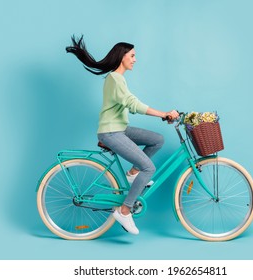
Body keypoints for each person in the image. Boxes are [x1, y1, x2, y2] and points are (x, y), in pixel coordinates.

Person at [66, 36, 179, 235]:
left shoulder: (118, 79)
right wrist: (163, 113)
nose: (135, 59)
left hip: (120, 128)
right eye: (133, 55)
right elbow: (132, 103)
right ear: (122, 56)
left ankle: (132, 175)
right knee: (149, 167)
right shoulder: (114, 79)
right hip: (111, 132)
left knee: (157, 140)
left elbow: (129, 102)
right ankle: (125, 211)